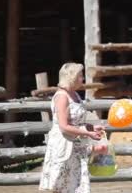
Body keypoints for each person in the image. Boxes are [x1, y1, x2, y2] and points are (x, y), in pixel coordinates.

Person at [39, 63, 107, 192]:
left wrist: (92, 127)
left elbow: (76, 122)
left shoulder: (75, 94)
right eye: (80, 76)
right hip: (64, 146)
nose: (82, 79)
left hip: (77, 145)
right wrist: (88, 134)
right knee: (61, 186)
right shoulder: (62, 97)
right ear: (71, 77)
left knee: (78, 185)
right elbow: (64, 127)